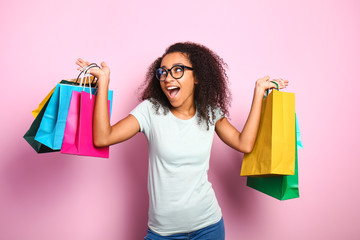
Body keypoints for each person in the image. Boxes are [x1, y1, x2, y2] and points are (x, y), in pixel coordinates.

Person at [75, 42, 288, 240]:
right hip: (163, 233)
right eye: (163, 71)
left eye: (178, 70)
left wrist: (258, 93)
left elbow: (244, 143)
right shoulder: (150, 111)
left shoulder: (210, 112)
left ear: (197, 77)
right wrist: (104, 82)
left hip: (209, 227)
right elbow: (103, 137)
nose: (168, 77)